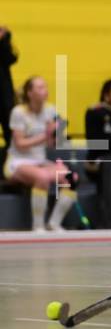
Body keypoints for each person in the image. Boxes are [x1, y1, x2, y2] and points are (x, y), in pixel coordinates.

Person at [4, 76, 75, 231]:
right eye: (40, 88)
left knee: (70, 178)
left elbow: (51, 145)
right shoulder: (18, 112)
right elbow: (20, 144)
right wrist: (45, 135)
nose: (45, 91)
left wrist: (56, 135)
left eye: (46, 87)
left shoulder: (51, 110)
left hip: (40, 161)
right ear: (30, 93)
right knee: (42, 177)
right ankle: (38, 226)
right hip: (18, 161)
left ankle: (54, 223)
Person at [0, 26, 18, 152]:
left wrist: (4, 39)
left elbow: (12, 58)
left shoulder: (4, 45)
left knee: (8, 127)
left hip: (3, 93)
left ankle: (11, 153)